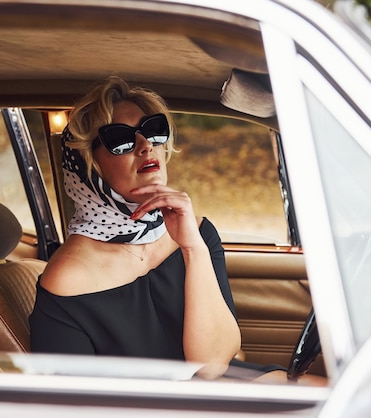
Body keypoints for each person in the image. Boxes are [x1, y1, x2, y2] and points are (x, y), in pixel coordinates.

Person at [29, 76, 318, 384]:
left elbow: (213, 365)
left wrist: (193, 249)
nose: (145, 146)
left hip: (221, 388)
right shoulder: (67, 278)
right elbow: (72, 406)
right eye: (121, 139)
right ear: (89, 166)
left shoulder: (196, 232)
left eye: (153, 131)